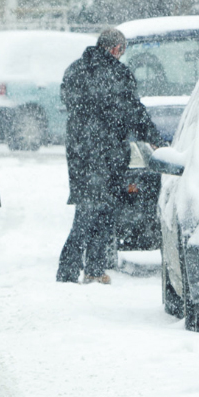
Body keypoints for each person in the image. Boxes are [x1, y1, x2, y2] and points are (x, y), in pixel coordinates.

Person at [56, 28, 165, 285]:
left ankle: (86, 268)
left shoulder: (75, 69)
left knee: (89, 209)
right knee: (100, 212)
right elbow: (134, 112)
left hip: (80, 151)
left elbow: (70, 102)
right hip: (108, 152)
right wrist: (154, 139)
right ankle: (76, 269)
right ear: (116, 49)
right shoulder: (118, 74)